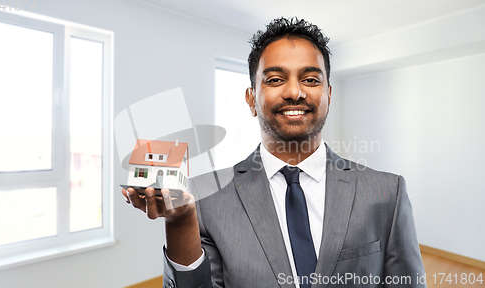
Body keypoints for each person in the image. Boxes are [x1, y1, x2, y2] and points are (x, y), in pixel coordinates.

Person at [122, 17, 426, 288]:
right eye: (276, 79)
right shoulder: (204, 197)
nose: (295, 92)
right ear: (251, 99)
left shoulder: (387, 192)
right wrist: (180, 222)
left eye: (310, 79)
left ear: (328, 95)